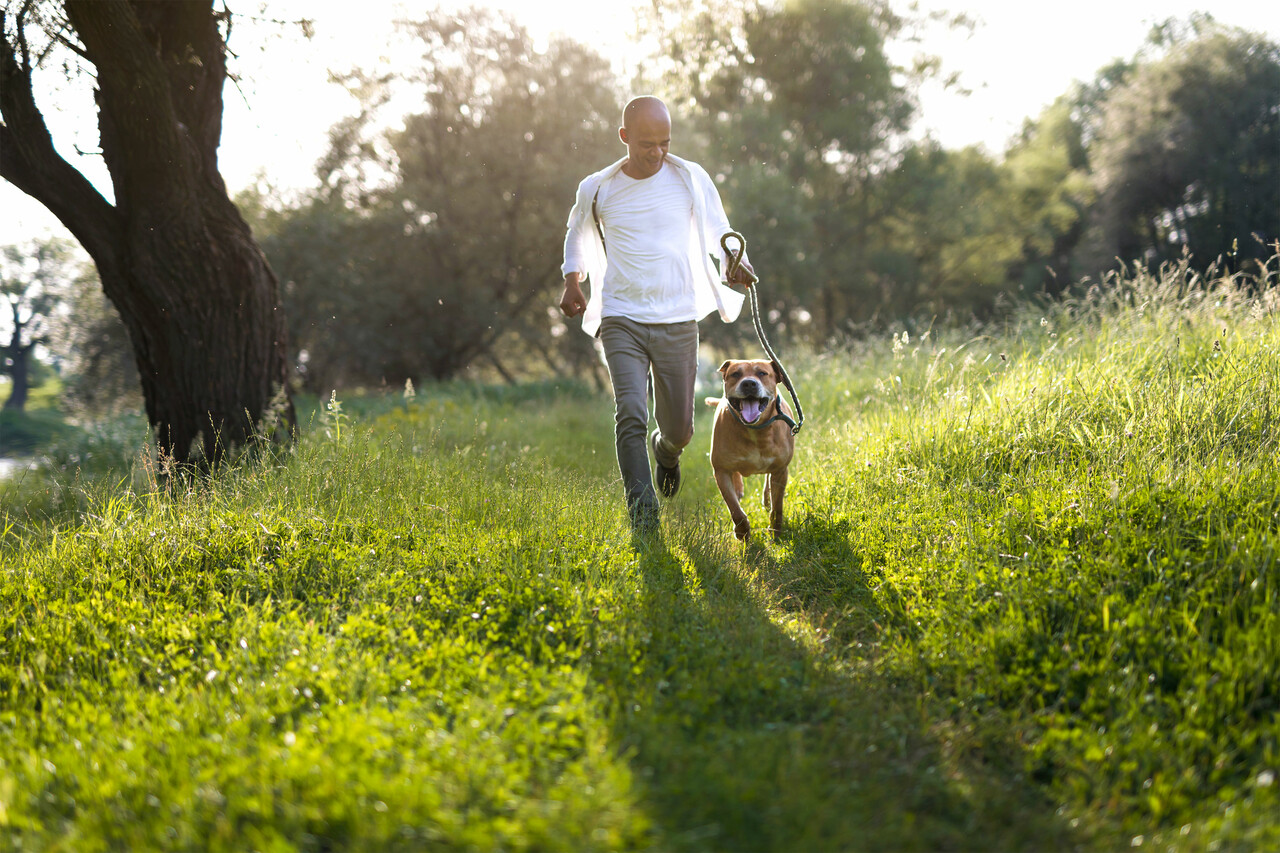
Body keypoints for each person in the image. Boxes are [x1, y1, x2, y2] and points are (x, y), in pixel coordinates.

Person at [559, 95, 756, 533]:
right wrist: (573, 281)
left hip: (677, 318)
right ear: (624, 137)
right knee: (630, 409)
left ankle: (665, 450)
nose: (658, 152)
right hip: (621, 316)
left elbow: (718, 229)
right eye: (647, 143)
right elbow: (576, 234)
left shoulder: (689, 178)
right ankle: (643, 510)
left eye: (665, 142)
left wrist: (734, 262)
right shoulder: (597, 187)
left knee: (681, 430)